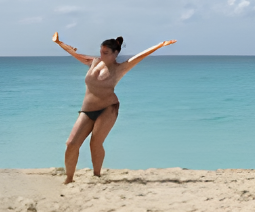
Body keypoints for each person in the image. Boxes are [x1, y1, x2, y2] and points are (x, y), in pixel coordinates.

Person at [51, 32, 176, 183]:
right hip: (87, 110)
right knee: (71, 144)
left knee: (95, 143)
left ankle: (96, 175)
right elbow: (74, 53)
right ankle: (69, 179)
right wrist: (59, 42)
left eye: (106, 53)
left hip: (108, 108)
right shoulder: (94, 62)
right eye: (101, 52)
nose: (102, 55)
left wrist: (160, 45)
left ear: (115, 53)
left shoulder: (120, 68)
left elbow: (140, 56)